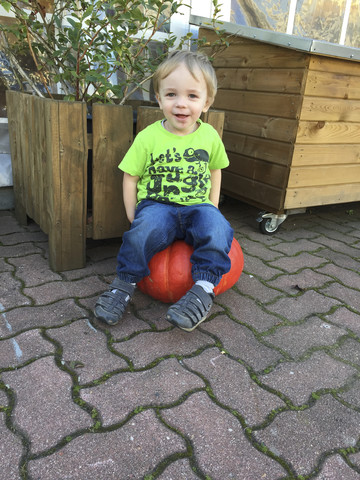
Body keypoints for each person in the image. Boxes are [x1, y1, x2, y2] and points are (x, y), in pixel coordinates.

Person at [94, 50, 234, 332]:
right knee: (141, 234)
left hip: (198, 206)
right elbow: (130, 176)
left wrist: (213, 207)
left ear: (207, 102)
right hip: (158, 206)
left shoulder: (209, 136)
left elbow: (215, 170)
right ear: (158, 98)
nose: (181, 104)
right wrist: (133, 214)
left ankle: (203, 290)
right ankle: (123, 285)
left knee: (220, 230)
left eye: (192, 96)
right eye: (171, 95)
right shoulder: (148, 137)